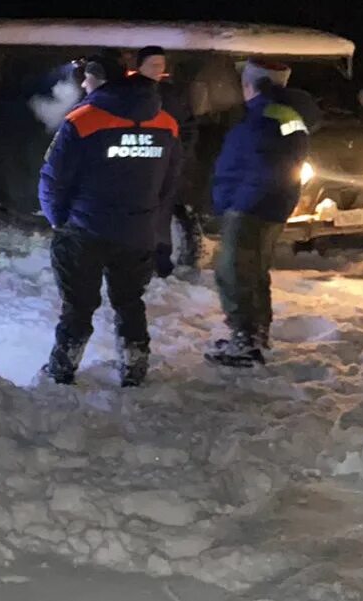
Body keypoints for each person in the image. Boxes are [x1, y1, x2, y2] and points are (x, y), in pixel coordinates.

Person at [37, 56, 180, 386]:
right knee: (130, 301)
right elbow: (170, 182)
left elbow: (53, 178)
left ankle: (63, 367)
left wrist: (59, 220)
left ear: (100, 80)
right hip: (137, 232)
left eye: (87, 78)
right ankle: (134, 364)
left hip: (85, 230)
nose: (84, 85)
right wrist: (151, 219)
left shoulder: (83, 120)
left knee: (78, 305)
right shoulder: (166, 123)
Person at [205, 59, 312, 366]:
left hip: (251, 209)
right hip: (267, 206)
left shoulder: (264, 117)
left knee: (233, 272)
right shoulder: (281, 113)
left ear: (253, 84)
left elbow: (266, 168)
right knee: (253, 272)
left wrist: (238, 203)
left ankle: (244, 341)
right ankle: (256, 335)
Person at [135, 45, 194, 277]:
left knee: (162, 214)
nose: (159, 69)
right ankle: (136, 261)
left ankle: (161, 262)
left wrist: (180, 152)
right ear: (140, 66)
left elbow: (188, 126)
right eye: (153, 64)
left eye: (162, 64)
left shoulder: (173, 95)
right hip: (137, 164)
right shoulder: (128, 93)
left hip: (166, 165)